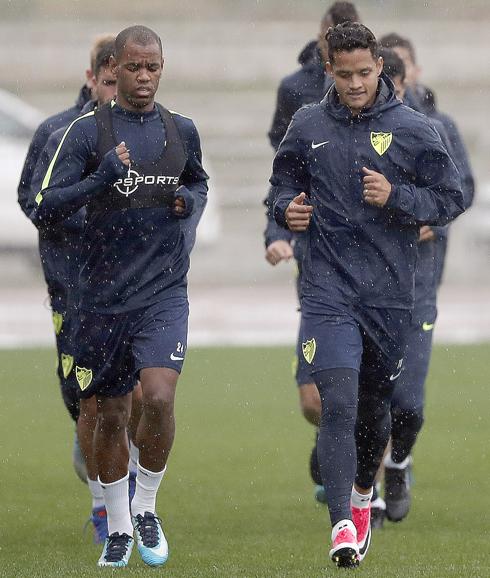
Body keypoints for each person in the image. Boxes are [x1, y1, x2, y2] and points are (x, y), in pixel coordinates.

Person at [270, 22, 464, 567]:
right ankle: (340, 528)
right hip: (327, 290)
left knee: (378, 408)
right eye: (344, 73)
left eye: (364, 73)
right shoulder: (307, 124)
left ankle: (362, 495)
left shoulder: (414, 127)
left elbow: (451, 198)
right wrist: (287, 209)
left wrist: (398, 196)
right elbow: (279, 186)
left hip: (389, 295)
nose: (355, 83)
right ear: (327, 69)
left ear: (380, 67)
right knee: (338, 402)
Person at [32, 24, 208, 568]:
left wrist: (187, 203)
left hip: (162, 293)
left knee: (157, 396)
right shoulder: (86, 133)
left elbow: (199, 184)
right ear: (115, 66)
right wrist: (99, 180)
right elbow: (42, 204)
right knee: (105, 413)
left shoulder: (181, 130)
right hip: (98, 296)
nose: (144, 77)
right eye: (134, 67)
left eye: (152, 67)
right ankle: (116, 522)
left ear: (162, 68)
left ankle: (147, 503)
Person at [18, 35, 119, 543]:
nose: (116, 93)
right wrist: (83, 215)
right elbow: (32, 201)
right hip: (74, 285)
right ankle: (102, 503)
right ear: (92, 78)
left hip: (136, 283)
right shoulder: (56, 132)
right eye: (108, 82)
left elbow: (187, 189)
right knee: (88, 399)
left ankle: (133, 506)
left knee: (145, 392)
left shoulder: (155, 133)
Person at [264, 0, 361, 505]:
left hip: (376, 275)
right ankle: (334, 439)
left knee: (379, 399)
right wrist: (278, 226)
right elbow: (284, 175)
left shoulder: (391, 112)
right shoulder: (297, 95)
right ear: (322, 39)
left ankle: (361, 491)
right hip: (320, 267)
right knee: (314, 401)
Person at [375, 38, 475, 524]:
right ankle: (359, 492)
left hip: (416, 285)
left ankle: (398, 461)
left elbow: (461, 190)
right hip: (363, 287)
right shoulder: (347, 131)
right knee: (360, 394)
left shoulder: (436, 128)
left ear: (405, 76)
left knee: (408, 403)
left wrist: (428, 215)